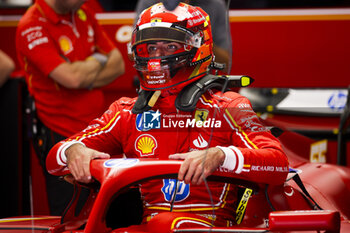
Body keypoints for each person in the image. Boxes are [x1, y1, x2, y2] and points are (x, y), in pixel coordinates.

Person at [46, 2, 288, 230]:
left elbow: (278, 165)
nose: (156, 57)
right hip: (149, 226)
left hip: (213, 226)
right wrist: (72, 151)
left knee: (164, 224)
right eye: (151, 48)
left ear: (197, 47)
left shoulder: (229, 106)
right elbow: (53, 161)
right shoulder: (126, 112)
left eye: (170, 46)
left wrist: (221, 155)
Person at [16, 0, 125, 215]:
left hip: (98, 130)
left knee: (108, 213)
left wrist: (85, 76)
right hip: (60, 132)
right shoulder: (32, 25)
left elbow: (119, 64)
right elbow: (72, 78)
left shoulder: (83, 12)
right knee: (72, 216)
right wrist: (98, 58)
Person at [135, 0, 232, 73]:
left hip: (198, 80)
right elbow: (133, 53)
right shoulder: (148, 3)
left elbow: (225, 64)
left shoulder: (215, 4)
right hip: (156, 77)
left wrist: (200, 38)